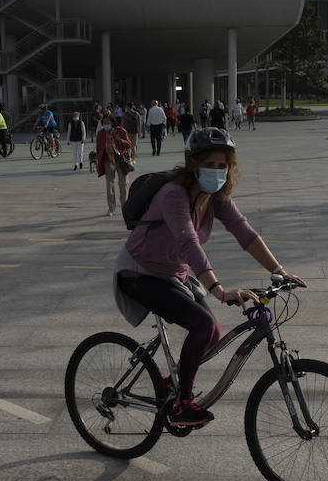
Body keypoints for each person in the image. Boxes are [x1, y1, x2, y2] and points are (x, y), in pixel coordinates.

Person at [113, 127, 305, 425]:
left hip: (173, 273)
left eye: (222, 166)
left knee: (211, 332)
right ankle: (181, 406)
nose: (216, 172)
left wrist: (279, 271)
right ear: (193, 164)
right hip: (139, 272)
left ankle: (168, 383)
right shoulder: (173, 194)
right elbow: (187, 241)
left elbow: (245, 232)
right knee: (202, 325)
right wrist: (218, 289)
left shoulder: (215, 197)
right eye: (209, 165)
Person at [95, 111, 133, 216]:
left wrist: (120, 140)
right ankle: (111, 208)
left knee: (123, 184)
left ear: (112, 122)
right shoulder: (101, 134)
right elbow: (98, 149)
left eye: (108, 123)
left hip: (121, 159)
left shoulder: (121, 131)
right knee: (109, 184)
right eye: (104, 123)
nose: (106, 125)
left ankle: (125, 207)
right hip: (108, 160)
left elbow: (129, 144)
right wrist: (98, 162)